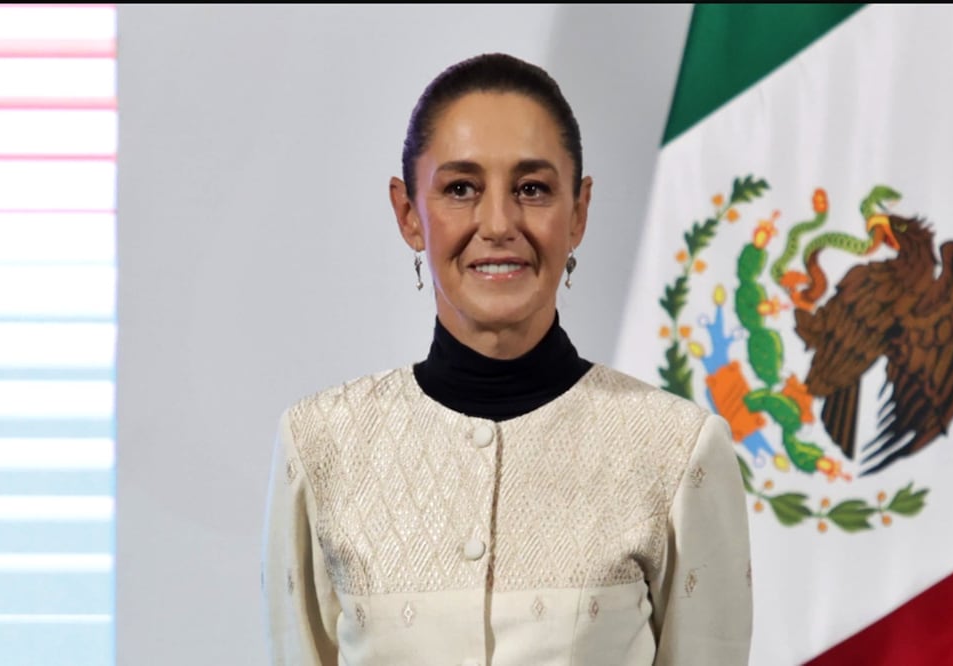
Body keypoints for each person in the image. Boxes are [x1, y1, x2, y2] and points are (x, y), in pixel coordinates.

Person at [262, 52, 752, 665]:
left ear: (578, 211)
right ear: (409, 213)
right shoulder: (319, 445)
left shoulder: (677, 451)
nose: (498, 223)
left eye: (532, 189)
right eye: (461, 188)